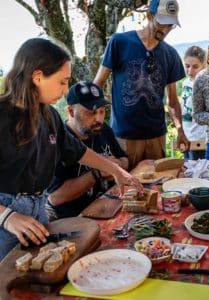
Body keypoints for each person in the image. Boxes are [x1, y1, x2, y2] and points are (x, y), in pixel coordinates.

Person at [0, 38, 142, 261]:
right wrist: (7, 216)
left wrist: (116, 171)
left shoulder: (48, 114)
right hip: (7, 217)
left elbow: (78, 151)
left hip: (36, 210)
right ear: (37, 77)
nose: (66, 89)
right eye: (62, 82)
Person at [93, 0, 189, 169]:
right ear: (149, 15)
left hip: (157, 137)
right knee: (127, 189)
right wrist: (94, 122)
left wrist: (180, 130)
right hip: (124, 136)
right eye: (162, 23)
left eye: (170, 25)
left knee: (157, 186)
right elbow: (97, 85)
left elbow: (173, 101)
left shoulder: (171, 54)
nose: (165, 30)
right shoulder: (119, 42)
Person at [46, 81, 129, 219]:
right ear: (71, 111)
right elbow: (54, 198)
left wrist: (116, 166)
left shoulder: (103, 129)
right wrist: (97, 173)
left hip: (111, 206)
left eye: (102, 111)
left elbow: (124, 159)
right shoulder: (57, 142)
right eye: (91, 112)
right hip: (78, 219)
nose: (99, 119)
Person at [181, 46, 207, 160]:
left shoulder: (206, 84)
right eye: (187, 66)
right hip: (186, 137)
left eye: (195, 67)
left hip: (200, 140)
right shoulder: (186, 82)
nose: (190, 71)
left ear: (204, 66)